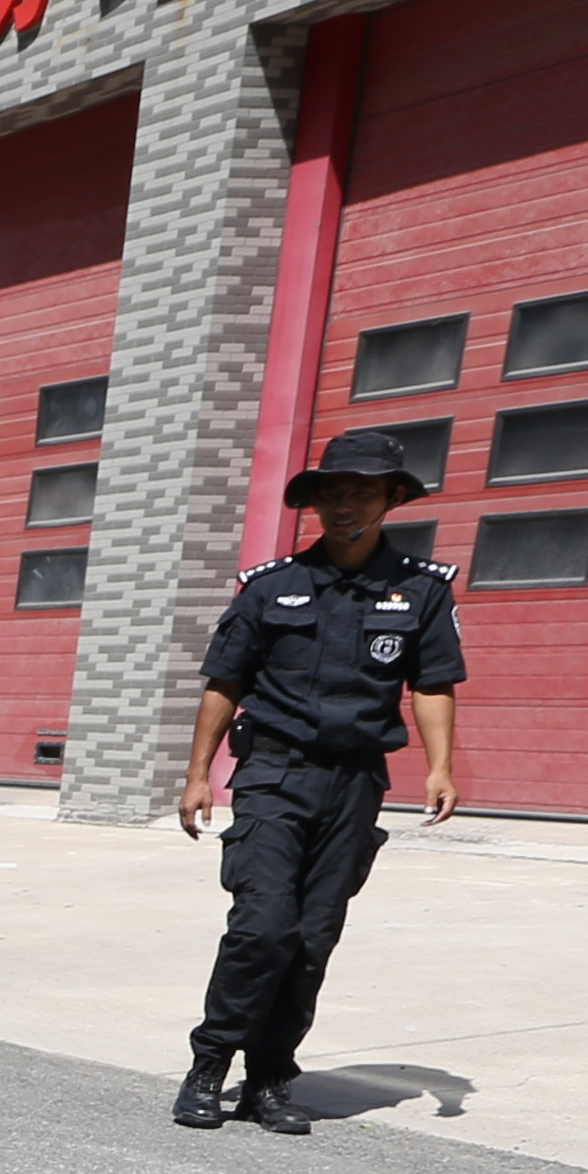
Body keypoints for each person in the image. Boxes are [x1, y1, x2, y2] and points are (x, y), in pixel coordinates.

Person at [173, 426, 465, 1135]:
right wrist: (195, 776)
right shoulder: (272, 588)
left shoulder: (418, 593)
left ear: (392, 498)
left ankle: (270, 1078)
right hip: (273, 773)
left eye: (361, 492)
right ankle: (209, 1063)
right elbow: (224, 682)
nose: (344, 506)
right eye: (332, 492)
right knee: (262, 927)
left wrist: (439, 764)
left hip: (356, 782)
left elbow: (431, 684)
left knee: (311, 938)